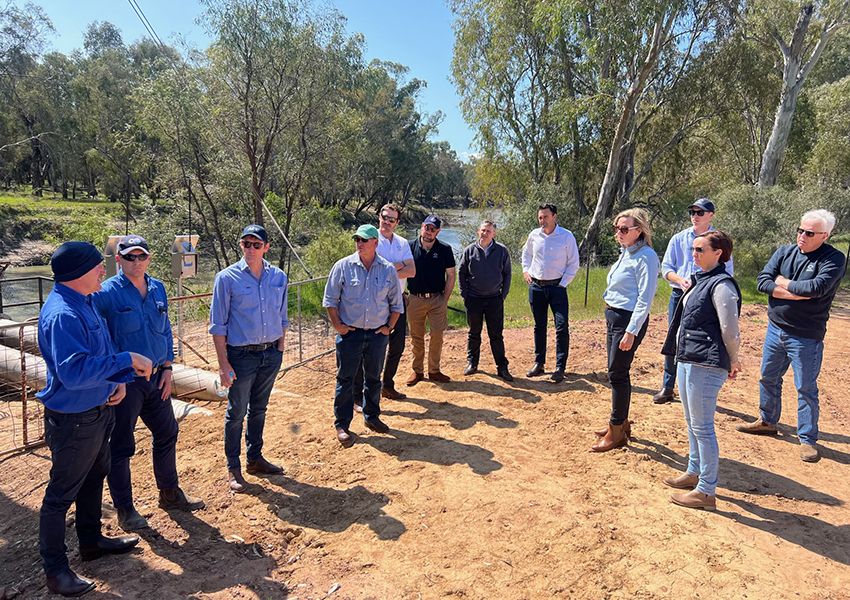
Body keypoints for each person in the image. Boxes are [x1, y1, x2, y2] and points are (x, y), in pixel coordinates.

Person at [37, 242, 152, 597]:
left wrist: (114, 382)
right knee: (60, 495)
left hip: (96, 411)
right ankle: (56, 571)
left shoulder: (83, 301)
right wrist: (126, 360)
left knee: (93, 478)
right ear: (78, 273)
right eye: (97, 266)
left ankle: (91, 541)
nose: (104, 270)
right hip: (74, 419)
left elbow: (97, 354)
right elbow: (72, 372)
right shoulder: (63, 315)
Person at [92, 235, 204, 531]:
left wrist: (168, 366)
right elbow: (97, 336)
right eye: (130, 257)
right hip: (125, 383)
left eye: (142, 256)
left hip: (156, 378)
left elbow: (164, 329)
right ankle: (125, 509)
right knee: (122, 446)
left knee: (167, 431)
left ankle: (169, 492)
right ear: (118, 260)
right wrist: (113, 377)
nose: (136, 262)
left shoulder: (157, 288)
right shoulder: (106, 293)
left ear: (149, 258)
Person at [737, 210, 845, 463]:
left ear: (824, 235)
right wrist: (792, 290)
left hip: (806, 335)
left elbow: (815, 289)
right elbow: (762, 281)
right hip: (776, 328)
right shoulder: (785, 252)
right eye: (800, 230)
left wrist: (782, 282)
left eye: (809, 233)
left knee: (805, 387)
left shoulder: (834, 259)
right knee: (768, 377)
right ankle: (767, 421)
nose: (802, 236)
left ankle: (807, 439)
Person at [661, 231, 741, 510]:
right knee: (692, 421)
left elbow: (730, 329)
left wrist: (733, 359)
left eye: (699, 249)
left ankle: (706, 491)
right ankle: (694, 472)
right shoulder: (701, 280)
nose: (693, 254)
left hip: (705, 364)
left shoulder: (722, 285)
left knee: (703, 427)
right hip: (688, 359)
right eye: (693, 249)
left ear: (718, 253)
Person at [210, 224, 289, 492]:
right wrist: (223, 364)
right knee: (236, 413)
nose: (251, 249)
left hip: (270, 354)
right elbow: (218, 325)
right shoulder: (226, 278)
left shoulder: (278, 276)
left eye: (257, 245)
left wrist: (280, 346)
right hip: (241, 356)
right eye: (246, 244)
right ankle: (233, 467)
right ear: (241, 246)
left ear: (267, 247)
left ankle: (255, 458)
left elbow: (282, 315)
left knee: (260, 409)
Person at [323, 224, 403, 447]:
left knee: (374, 379)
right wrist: (338, 326)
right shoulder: (342, 266)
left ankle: (372, 416)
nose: (359, 243)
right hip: (350, 334)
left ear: (375, 243)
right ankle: (342, 424)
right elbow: (330, 300)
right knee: (345, 379)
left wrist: (389, 328)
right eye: (357, 239)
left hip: (378, 335)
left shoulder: (387, 269)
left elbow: (397, 304)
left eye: (364, 240)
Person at [654, 198, 734, 403]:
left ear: (711, 215)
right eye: (692, 212)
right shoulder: (678, 238)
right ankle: (668, 385)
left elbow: (728, 272)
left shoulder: (719, 241)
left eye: (700, 212)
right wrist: (679, 280)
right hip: (679, 295)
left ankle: (696, 386)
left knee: (703, 338)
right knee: (675, 337)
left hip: (708, 297)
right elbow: (666, 268)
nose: (695, 216)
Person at [592, 209, 659, 452]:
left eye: (624, 229)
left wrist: (631, 331)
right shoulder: (627, 253)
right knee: (617, 371)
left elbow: (645, 299)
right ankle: (622, 422)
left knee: (617, 373)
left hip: (627, 319)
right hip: (614, 316)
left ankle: (616, 430)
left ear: (639, 230)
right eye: (616, 228)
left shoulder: (646, 257)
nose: (618, 233)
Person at [353, 204, 415, 404]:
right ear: (379, 216)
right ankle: (358, 394)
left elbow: (412, 271)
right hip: (374, 303)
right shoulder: (369, 238)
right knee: (366, 349)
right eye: (384, 217)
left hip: (398, 302)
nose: (387, 222)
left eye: (392, 219)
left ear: (397, 223)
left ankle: (387, 386)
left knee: (397, 347)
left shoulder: (402, 243)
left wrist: (386, 267)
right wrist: (398, 266)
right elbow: (370, 267)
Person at [521, 203, 580, 383]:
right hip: (537, 287)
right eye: (540, 217)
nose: (542, 221)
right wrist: (526, 270)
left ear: (555, 216)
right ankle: (539, 363)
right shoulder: (534, 235)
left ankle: (560, 367)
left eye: (546, 217)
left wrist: (563, 284)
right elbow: (526, 254)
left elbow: (574, 263)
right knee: (539, 327)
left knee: (561, 327)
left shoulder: (566, 236)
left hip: (557, 288)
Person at [458, 219, 513, 381]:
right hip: (473, 299)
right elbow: (461, 272)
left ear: (494, 234)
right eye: (482, 230)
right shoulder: (469, 250)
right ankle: (472, 363)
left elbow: (508, 274)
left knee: (496, 335)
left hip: (494, 299)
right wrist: (464, 295)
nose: (484, 233)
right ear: (478, 231)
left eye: (488, 231)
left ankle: (502, 367)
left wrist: (503, 295)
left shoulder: (502, 251)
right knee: (474, 333)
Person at [405, 215, 457, 386]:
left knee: (437, 335)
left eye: (432, 229)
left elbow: (451, 274)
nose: (428, 232)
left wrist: (445, 298)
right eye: (426, 227)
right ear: (422, 227)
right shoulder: (409, 246)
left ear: (438, 231)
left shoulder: (445, 249)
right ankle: (417, 371)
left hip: (437, 299)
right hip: (415, 299)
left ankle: (434, 370)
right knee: (416, 337)